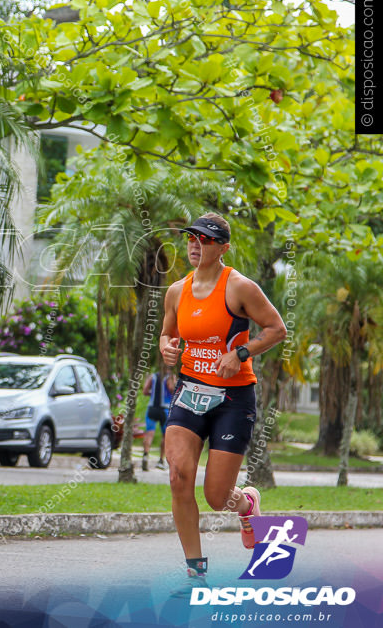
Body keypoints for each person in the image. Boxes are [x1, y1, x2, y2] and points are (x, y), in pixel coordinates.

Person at [160, 213, 286, 598]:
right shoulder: (177, 292)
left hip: (233, 398)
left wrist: (241, 353)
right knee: (179, 475)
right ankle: (195, 574)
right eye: (191, 238)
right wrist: (166, 346)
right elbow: (168, 333)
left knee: (217, 498)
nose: (196, 244)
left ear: (223, 248)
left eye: (206, 239)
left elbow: (277, 329)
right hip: (190, 391)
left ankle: (246, 502)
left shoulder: (239, 287)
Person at [141, 368, 175, 471]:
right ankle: (161, 460)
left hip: (152, 408)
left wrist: (153, 394)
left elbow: (145, 390)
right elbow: (171, 388)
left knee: (149, 434)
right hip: (164, 409)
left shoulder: (153, 376)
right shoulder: (170, 377)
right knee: (165, 436)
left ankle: (145, 455)